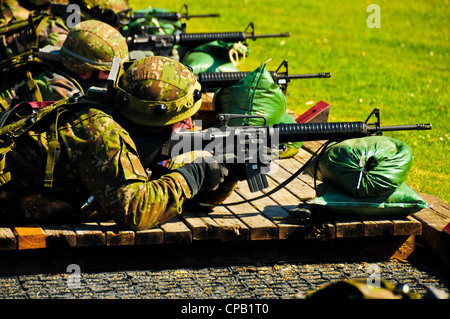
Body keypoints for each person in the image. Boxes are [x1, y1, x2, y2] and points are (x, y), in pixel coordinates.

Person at [0, 55, 235, 230]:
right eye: (185, 118)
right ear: (158, 120)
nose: (191, 124)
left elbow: (184, 200)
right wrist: (194, 175)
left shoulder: (120, 118)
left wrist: (228, 172)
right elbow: (137, 211)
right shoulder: (102, 132)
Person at [0, 19, 129, 111]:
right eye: (109, 72)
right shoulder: (58, 88)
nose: (117, 76)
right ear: (83, 72)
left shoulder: (69, 56)